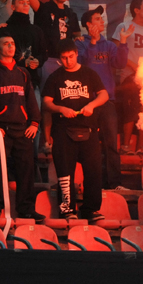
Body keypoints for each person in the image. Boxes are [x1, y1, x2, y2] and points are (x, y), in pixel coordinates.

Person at [0, 33, 42, 223]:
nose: (11, 46)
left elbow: (31, 100)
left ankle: (26, 209)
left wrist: (35, 123)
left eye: (13, 43)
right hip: (1, 128)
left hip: (23, 128)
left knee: (26, 169)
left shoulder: (23, 72)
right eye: (6, 44)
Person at [42, 39, 108, 220]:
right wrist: (60, 108)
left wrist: (92, 105)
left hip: (88, 129)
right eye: (64, 58)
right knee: (65, 173)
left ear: (76, 54)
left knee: (94, 171)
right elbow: (46, 102)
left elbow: (104, 94)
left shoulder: (89, 73)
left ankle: (91, 209)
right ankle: (67, 210)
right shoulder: (55, 77)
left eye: (71, 57)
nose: (68, 61)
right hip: (63, 130)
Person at [75, 6, 132, 189]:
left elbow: (120, 63)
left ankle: (114, 183)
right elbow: (82, 63)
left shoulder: (108, 45)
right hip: (86, 101)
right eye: (98, 19)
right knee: (89, 145)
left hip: (108, 101)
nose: (102, 21)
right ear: (88, 25)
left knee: (111, 145)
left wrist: (123, 42)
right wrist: (92, 42)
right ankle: (92, 183)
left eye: (102, 18)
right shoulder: (79, 43)